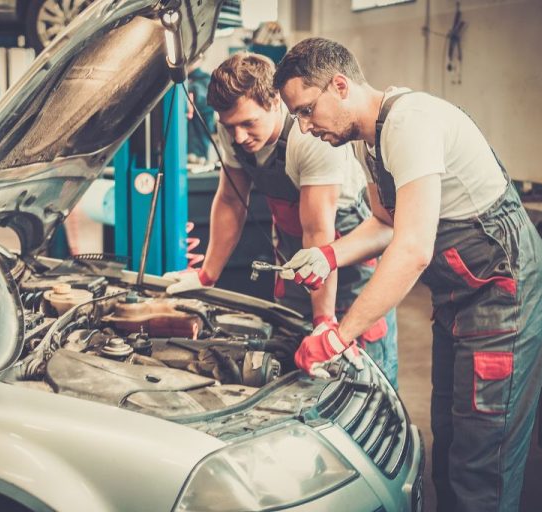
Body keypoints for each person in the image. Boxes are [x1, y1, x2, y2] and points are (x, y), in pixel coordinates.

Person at [273, 37, 542, 512]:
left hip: (507, 298)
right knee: (447, 442)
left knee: (481, 463)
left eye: (305, 111)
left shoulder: (411, 122)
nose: (303, 128)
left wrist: (340, 334)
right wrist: (328, 254)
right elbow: (386, 223)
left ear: (339, 86)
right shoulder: (369, 141)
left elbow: (412, 250)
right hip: (462, 300)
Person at [164, 52, 399, 388]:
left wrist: (324, 320)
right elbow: (231, 200)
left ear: (274, 101)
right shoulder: (232, 127)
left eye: (249, 123)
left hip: (342, 252)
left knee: (360, 369)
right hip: (293, 251)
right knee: (290, 351)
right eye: (231, 127)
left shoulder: (310, 139)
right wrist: (207, 275)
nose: (240, 137)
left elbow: (319, 233)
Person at [186, 59, 215, 164]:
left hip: (197, 153)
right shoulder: (185, 81)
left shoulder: (206, 82)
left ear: (201, 58)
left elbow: (200, 96)